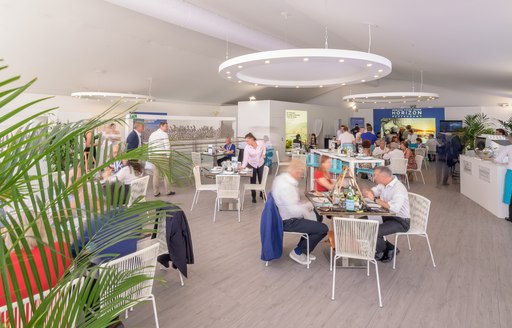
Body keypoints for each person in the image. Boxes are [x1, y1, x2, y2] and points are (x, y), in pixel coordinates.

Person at [272, 160, 328, 265]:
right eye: (301, 174)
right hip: (288, 221)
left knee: (318, 218)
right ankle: (298, 252)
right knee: (323, 228)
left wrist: (307, 208)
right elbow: (295, 211)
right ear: (296, 172)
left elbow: (291, 204)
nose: (301, 177)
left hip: (284, 214)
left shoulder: (281, 179)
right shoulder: (287, 187)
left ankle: (305, 249)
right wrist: (308, 208)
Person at [362, 166, 410, 262]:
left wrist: (375, 199)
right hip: (388, 215)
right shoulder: (383, 184)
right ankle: (390, 248)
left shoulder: (398, 189)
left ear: (384, 176)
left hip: (400, 220)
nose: (373, 177)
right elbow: (374, 191)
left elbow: (395, 208)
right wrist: (368, 192)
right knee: (361, 222)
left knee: (374, 231)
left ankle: (381, 251)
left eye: (375, 175)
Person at [148, 122, 174, 197]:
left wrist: (150, 157)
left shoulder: (152, 134)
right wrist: (168, 157)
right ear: (161, 126)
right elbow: (167, 146)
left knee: (155, 175)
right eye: (166, 126)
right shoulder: (164, 134)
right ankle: (168, 191)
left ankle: (156, 192)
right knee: (166, 174)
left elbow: (149, 146)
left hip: (154, 156)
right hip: (162, 156)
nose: (167, 128)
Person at [241, 133, 266, 203]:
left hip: (260, 164)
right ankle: (253, 196)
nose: (246, 142)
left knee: (261, 180)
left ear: (252, 139)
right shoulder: (247, 148)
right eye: (246, 141)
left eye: (247, 141)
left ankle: (262, 193)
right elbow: (245, 159)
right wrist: (242, 167)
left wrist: (263, 154)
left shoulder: (260, 143)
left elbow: (264, 148)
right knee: (253, 181)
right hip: (252, 164)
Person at [495, 134, 512, 222]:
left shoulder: (509, 147)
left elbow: (498, 159)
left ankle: (511, 217)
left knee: (510, 194)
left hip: (511, 172)